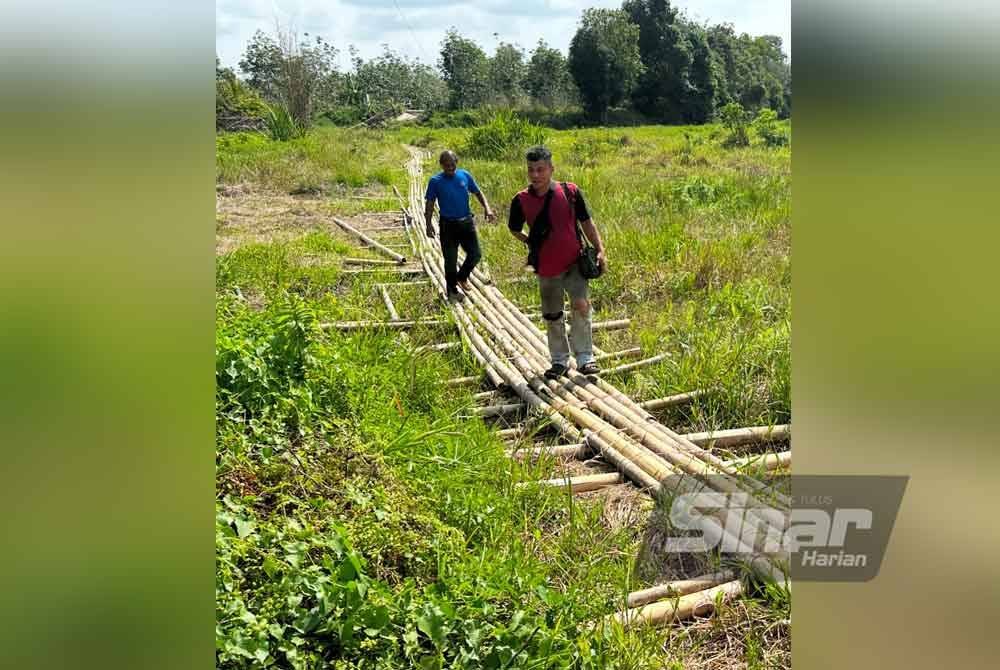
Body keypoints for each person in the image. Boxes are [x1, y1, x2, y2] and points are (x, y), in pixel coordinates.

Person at [507, 145, 607, 379]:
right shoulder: (521, 200)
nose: (535, 175)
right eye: (531, 170)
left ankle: (585, 358)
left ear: (551, 169)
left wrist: (601, 250)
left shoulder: (570, 191)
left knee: (581, 305)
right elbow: (514, 228)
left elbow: (587, 223)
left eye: (540, 169)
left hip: (575, 263)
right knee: (553, 314)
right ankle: (559, 360)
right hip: (547, 267)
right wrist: (530, 242)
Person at [424, 150, 495, 303]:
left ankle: (462, 277)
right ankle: (452, 291)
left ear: (456, 162)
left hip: (466, 223)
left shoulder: (465, 175)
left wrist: (487, 209)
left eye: (452, 164)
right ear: (441, 165)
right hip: (448, 226)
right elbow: (429, 204)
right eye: (447, 165)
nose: (450, 167)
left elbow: (478, 192)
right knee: (450, 259)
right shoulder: (435, 181)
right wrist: (428, 224)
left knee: (475, 254)